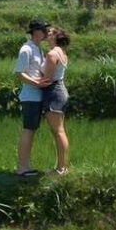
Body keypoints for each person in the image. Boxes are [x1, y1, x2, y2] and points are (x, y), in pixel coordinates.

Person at [14, 19, 51, 177]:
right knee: (28, 130)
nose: (47, 33)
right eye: (44, 30)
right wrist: (36, 83)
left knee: (31, 130)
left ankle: (26, 165)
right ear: (36, 32)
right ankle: (22, 167)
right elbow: (19, 73)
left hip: (37, 95)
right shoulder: (26, 49)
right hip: (30, 96)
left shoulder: (38, 49)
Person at [42, 27, 70, 175]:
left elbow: (47, 78)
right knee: (59, 131)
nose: (47, 34)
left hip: (53, 92)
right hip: (59, 90)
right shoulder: (62, 52)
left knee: (58, 131)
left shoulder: (53, 54)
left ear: (55, 36)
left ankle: (61, 168)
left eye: (50, 33)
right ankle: (62, 166)